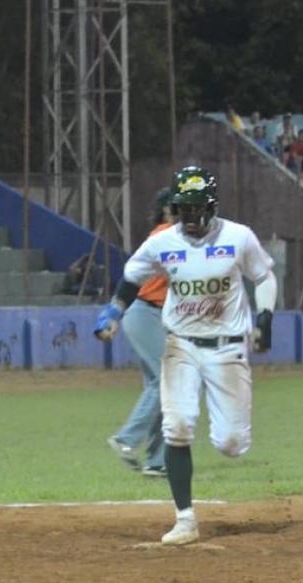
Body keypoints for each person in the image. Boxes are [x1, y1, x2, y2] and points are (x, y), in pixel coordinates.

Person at [94, 166, 278, 545]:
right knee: (176, 426)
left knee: (231, 443)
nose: (190, 216)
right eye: (183, 208)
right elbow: (132, 277)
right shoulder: (163, 242)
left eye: (197, 208)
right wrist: (113, 313)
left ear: (211, 206)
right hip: (180, 344)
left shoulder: (238, 237)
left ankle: (225, 438)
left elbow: (263, 277)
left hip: (227, 347)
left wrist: (265, 318)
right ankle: (185, 519)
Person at [105, 188, 174, 478]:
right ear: (167, 209)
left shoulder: (178, 235)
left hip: (161, 316)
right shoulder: (166, 234)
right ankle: (127, 439)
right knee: (167, 379)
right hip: (144, 311)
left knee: (163, 387)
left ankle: (157, 461)